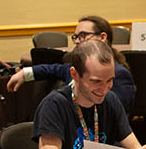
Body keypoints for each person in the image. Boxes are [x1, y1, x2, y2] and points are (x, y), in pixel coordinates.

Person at [32, 40, 146, 149]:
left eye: (109, 80)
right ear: (75, 74)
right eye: (96, 81)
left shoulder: (110, 100)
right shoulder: (54, 105)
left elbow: (136, 148)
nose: (104, 89)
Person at [7, 15, 136, 111]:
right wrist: (25, 73)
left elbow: (116, 118)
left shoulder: (119, 74)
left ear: (102, 37)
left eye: (83, 35)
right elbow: (53, 69)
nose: (78, 41)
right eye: (76, 37)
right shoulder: (76, 68)